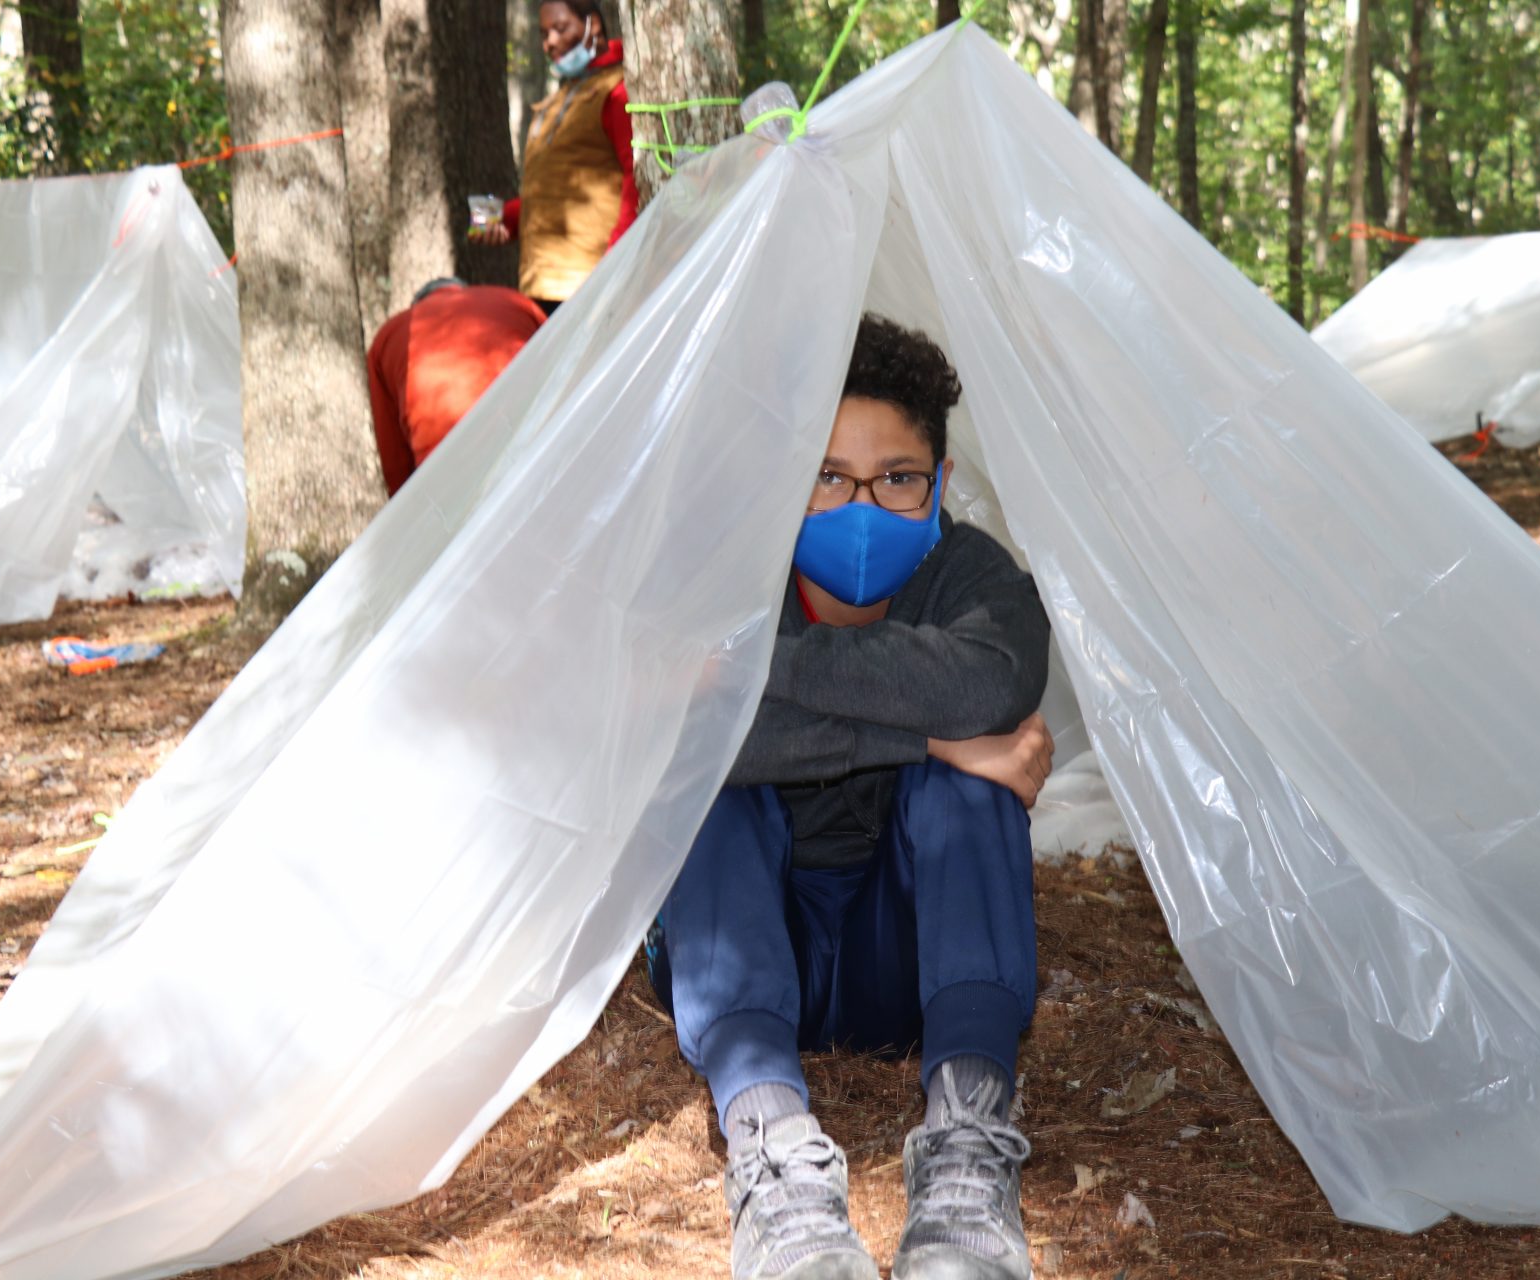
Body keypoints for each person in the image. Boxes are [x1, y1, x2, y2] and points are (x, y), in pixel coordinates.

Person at [647, 315, 1053, 1280]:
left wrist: (753, 676)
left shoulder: (972, 574)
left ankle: (964, 1157)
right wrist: (929, 732)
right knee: (709, 783)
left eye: (897, 478)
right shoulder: (728, 577)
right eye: (828, 477)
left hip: (903, 969)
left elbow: (991, 687)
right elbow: (690, 740)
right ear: (785, 481)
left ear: (941, 485)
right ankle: (775, 1163)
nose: (862, 505)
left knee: (966, 794)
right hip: (745, 946)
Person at [476, 0, 636, 313]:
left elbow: (636, 179)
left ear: (594, 26)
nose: (549, 42)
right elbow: (551, 195)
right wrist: (499, 218)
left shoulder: (617, 90)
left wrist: (616, 262)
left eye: (560, 29)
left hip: (590, 285)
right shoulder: (556, 100)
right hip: (539, 282)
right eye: (544, 33)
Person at [366, 280, 547, 496]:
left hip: (444, 466)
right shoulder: (517, 302)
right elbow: (563, 365)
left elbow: (394, 459)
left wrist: (407, 507)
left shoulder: (387, 336)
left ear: (419, 304)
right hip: (526, 435)